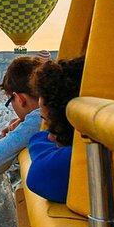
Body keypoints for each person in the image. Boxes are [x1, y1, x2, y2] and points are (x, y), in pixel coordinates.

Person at [25, 57, 85, 203]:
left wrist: (38, 140)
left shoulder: (85, 159)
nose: (50, 136)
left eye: (51, 125)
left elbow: (38, 175)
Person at [0, 57, 44, 176]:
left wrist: (18, 131)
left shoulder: (38, 120)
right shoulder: (57, 108)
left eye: (10, 102)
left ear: (19, 99)